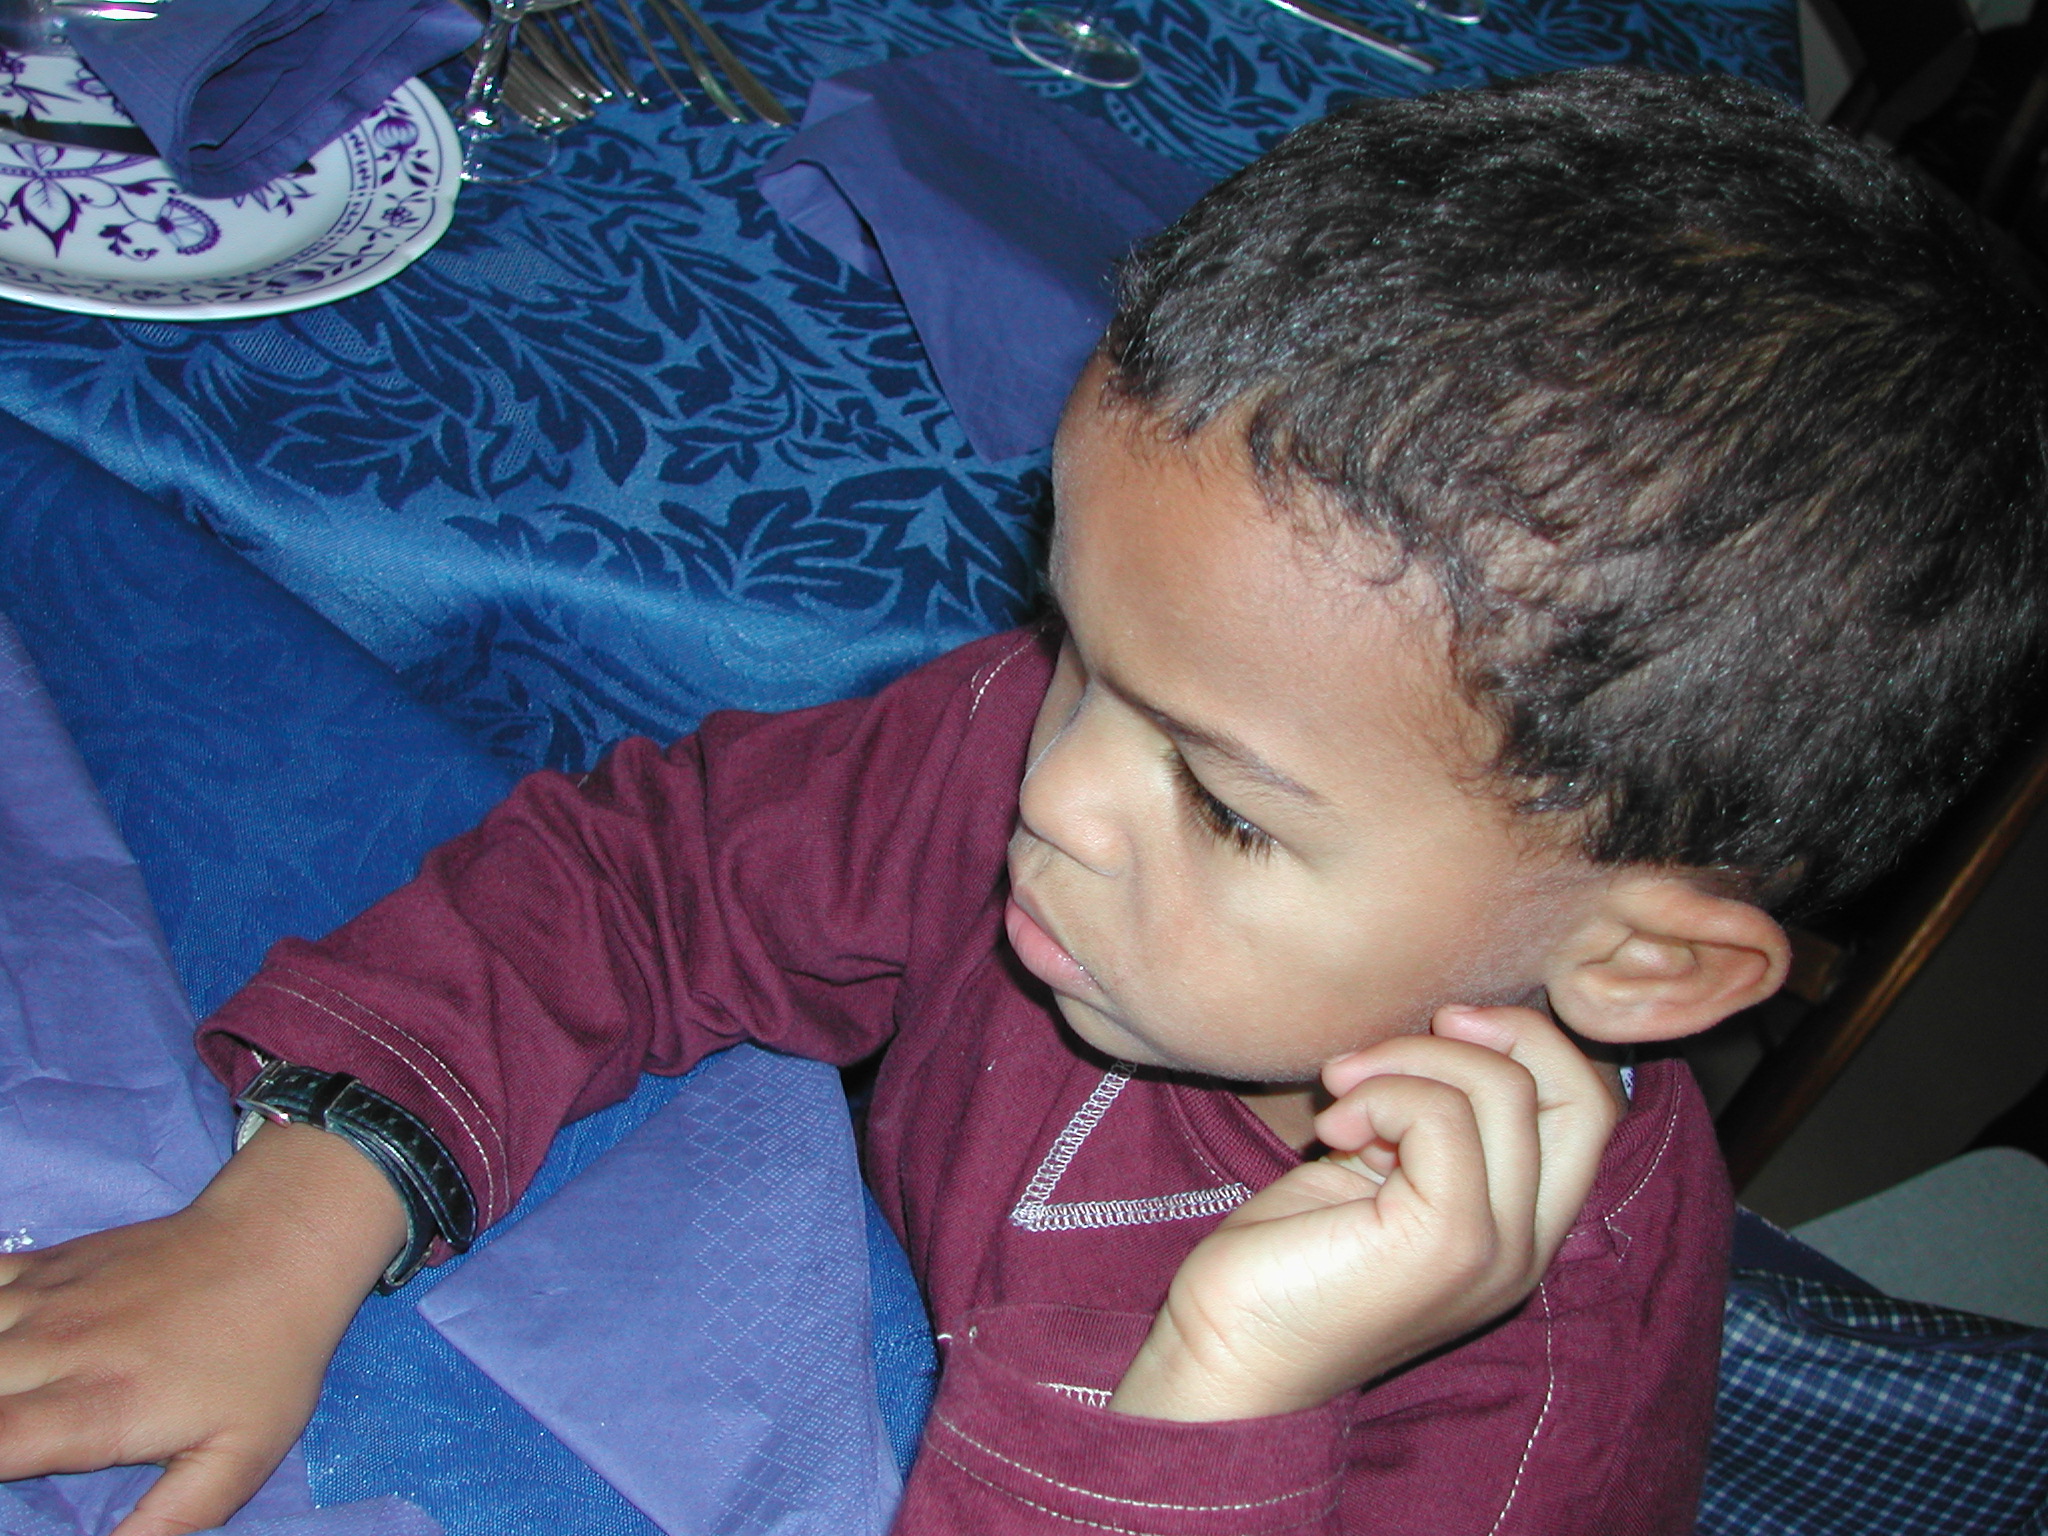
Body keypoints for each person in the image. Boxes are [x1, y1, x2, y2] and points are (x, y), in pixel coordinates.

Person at [4, 66, 2045, 1536]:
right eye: (1069, 637)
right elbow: (654, 878)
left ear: (1641, 965)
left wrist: (1218, 1390)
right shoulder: (1047, 750)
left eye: (1228, 808)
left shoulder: (1522, 1403)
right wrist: (299, 1210)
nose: (1050, 787)